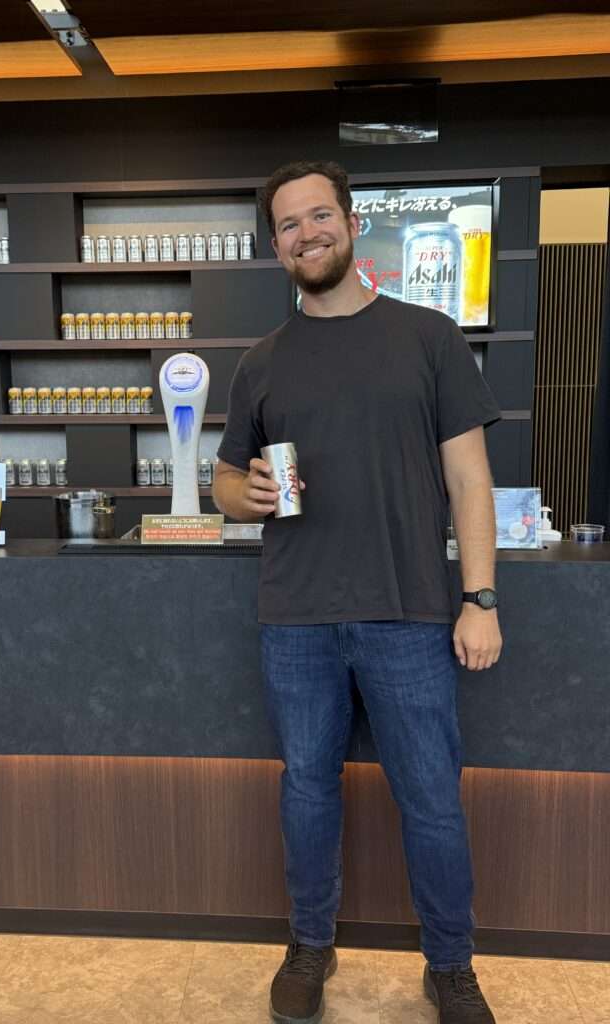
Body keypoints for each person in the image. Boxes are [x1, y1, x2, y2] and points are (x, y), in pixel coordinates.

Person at [212, 160, 503, 1024]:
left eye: (320, 215)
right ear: (277, 248)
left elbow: (470, 479)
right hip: (295, 617)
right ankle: (309, 945)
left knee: (433, 800)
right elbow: (228, 481)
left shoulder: (427, 336)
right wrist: (246, 494)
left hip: (410, 610)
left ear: (350, 223)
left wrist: (479, 597)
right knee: (306, 790)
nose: (308, 233)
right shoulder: (260, 364)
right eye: (290, 225)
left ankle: (451, 965)